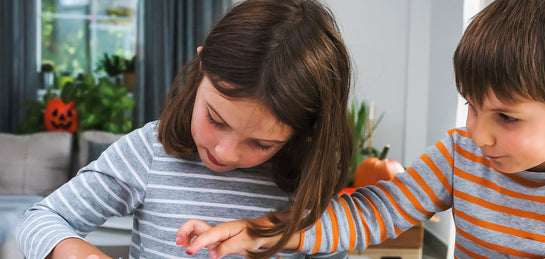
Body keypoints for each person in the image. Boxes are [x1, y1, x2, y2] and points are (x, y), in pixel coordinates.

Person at [176, 0, 545, 258]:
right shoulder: (459, 158)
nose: (478, 133)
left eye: (507, 118)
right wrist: (266, 231)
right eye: (471, 106)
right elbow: (372, 211)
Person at [15, 0, 353, 258]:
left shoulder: (309, 185)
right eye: (216, 120)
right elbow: (40, 219)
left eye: (262, 143)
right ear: (202, 64)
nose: (224, 152)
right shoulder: (148, 152)